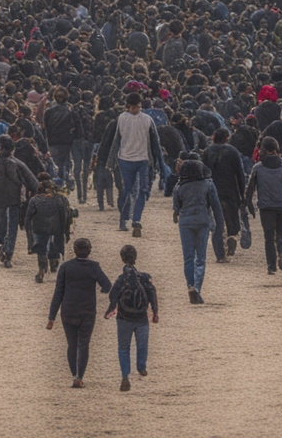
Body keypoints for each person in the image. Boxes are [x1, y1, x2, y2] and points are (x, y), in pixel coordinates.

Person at [46, 237, 112, 388]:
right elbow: (107, 285)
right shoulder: (94, 267)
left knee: (71, 344)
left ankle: (74, 374)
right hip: (87, 311)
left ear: (74, 250)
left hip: (68, 310)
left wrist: (51, 317)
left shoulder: (65, 267)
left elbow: (58, 293)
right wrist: (101, 290)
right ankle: (79, 376)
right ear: (89, 251)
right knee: (84, 344)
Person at [108, 91, 165, 239]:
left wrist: (159, 160)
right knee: (131, 191)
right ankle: (126, 217)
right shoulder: (140, 119)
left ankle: (135, 220)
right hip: (132, 159)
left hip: (135, 159)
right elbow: (117, 140)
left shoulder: (134, 119)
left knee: (140, 190)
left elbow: (155, 143)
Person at [0, 134, 39, 268]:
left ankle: (3, 248)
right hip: (14, 201)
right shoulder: (18, 164)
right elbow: (33, 182)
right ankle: (8, 252)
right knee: (12, 228)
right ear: (12, 149)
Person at [104, 244, 158, 392]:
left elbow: (112, 295)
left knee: (123, 347)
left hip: (124, 318)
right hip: (141, 318)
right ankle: (141, 366)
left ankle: (125, 376)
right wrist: (155, 312)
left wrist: (110, 309)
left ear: (122, 259)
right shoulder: (144, 277)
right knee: (142, 344)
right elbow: (152, 293)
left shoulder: (121, 279)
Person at [171, 155, 224, 303]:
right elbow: (216, 206)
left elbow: (176, 208)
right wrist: (219, 225)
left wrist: (177, 215)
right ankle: (197, 287)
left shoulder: (179, 187)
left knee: (188, 257)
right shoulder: (208, 184)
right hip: (202, 221)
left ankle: (189, 285)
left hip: (186, 223)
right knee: (200, 258)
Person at [245, 136, 282, 274]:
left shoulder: (257, 168)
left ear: (263, 149)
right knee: (281, 232)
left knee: (268, 237)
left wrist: (249, 205)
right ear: (276, 149)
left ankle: (271, 266)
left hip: (265, 207)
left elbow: (250, 188)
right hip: (281, 205)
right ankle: (281, 252)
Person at [201, 127, 246, 262]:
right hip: (230, 189)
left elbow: (203, 173)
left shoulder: (207, 152)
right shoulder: (233, 152)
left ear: (213, 137)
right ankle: (232, 236)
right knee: (232, 216)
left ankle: (220, 254)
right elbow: (240, 174)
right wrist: (242, 194)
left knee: (216, 223)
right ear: (227, 138)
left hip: (212, 190)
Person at [25, 179, 71, 283]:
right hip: (55, 227)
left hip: (39, 227)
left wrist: (28, 231)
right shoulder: (60, 200)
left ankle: (41, 269)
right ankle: (54, 260)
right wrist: (66, 232)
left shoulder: (34, 200)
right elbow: (65, 217)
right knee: (53, 243)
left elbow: (28, 217)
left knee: (41, 248)